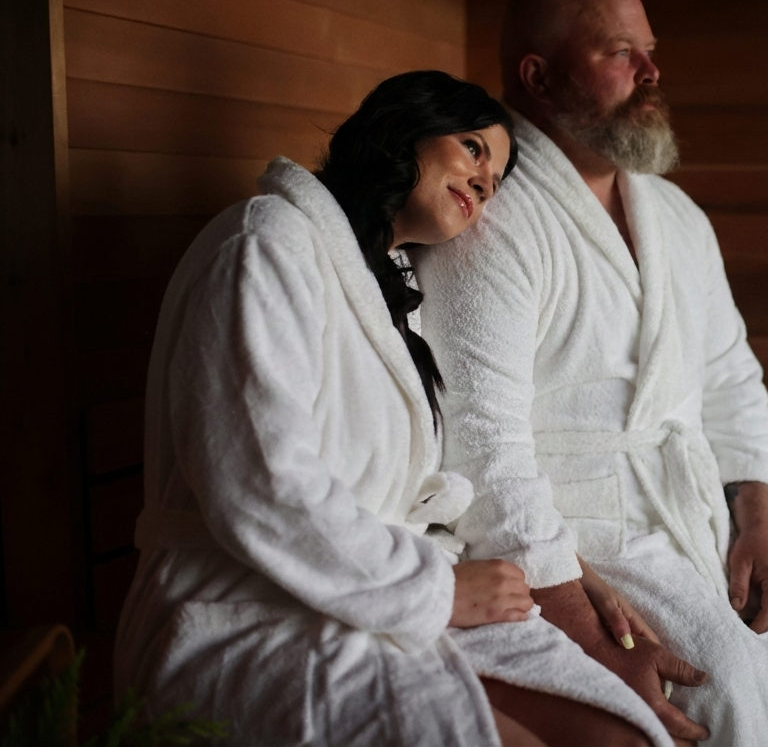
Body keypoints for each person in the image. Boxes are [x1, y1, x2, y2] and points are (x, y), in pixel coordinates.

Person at [412, 0, 768, 747]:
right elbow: (484, 443)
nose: (652, 73)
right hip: (587, 532)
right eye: (621, 52)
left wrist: (758, 522)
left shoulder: (675, 216)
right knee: (731, 685)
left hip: (699, 509)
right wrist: (582, 624)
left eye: (649, 51)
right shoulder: (494, 220)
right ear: (538, 76)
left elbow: (730, 379)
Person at [114, 71, 678, 747]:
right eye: (472, 148)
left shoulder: (391, 286)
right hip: (242, 607)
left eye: (495, 175)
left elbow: (439, 480)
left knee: (624, 736)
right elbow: (260, 484)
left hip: (379, 590)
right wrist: (437, 594)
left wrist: (575, 577)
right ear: (404, 127)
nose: (484, 181)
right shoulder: (265, 243)